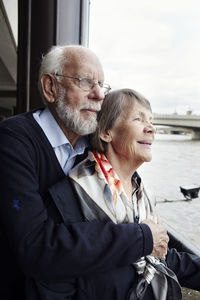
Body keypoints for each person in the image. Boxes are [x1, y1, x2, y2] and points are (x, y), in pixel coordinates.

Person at [0, 45, 168, 300]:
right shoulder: (13, 141)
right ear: (50, 87)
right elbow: (35, 247)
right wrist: (141, 237)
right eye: (86, 81)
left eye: (102, 84)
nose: (99, 94)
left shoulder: (91, 147)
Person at [35, 89, 200, 299]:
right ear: (106, 132)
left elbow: (162, 258)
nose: (151, 128)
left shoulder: (141, 195)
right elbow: (55, 284)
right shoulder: (70, 197)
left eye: (151, 120)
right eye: (138, 119)